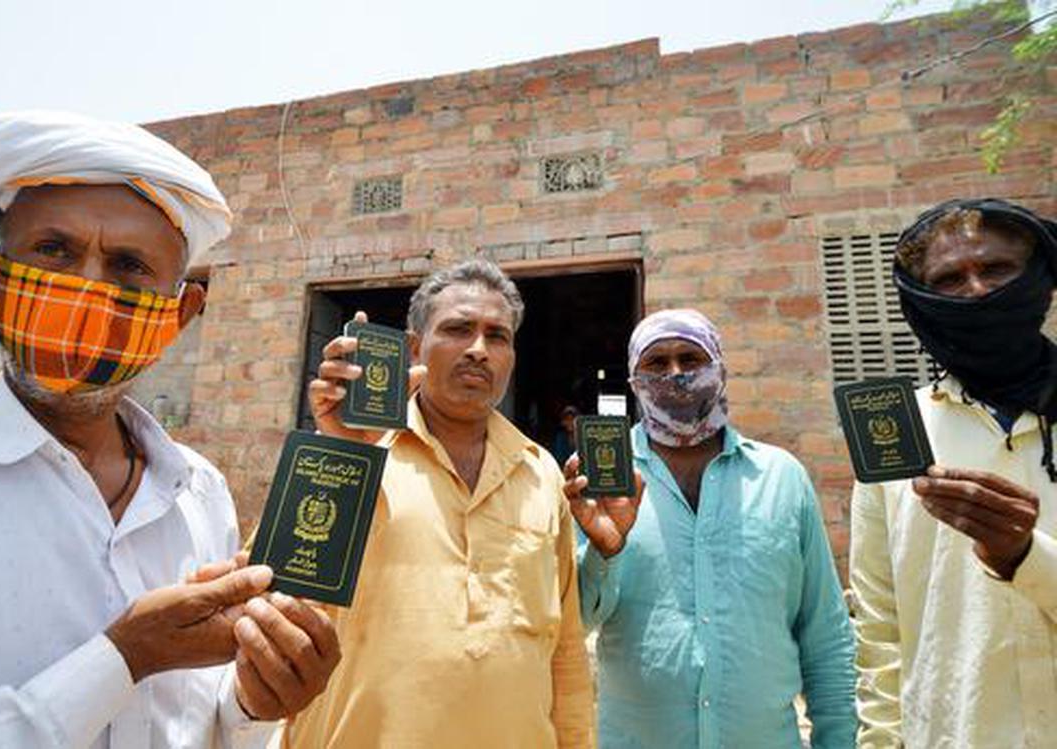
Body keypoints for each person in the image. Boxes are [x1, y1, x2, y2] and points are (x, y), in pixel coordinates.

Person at [0, 111, 338, 748]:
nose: (85, 289)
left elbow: (206, 724)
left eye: (129, 267)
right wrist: (122, 659)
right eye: (54, 251)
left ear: (181, 313)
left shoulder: (200, 495)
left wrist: (254, 700)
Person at [287, 259, 595, 747]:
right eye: (458, 329)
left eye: (497, 337)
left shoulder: (540, 472)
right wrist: (342, 452)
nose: (478, 349)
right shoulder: (357, 451)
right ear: (414, 348)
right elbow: (277, 604)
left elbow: (566, 651)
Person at [572, 309, 856, 748]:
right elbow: (573, 623)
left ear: (720, 370)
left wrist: (838, 741)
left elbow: (825, 635)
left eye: (691, 358)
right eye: (656, 363)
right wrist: (603, 554)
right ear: (633, 380)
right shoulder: (602, 481)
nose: (676, 374)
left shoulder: (781, 478)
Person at [850, 198, 1057, 748]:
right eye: (949, 279)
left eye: (995, 269)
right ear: (922, 303)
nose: (977, 292)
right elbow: (880, 633)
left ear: (1041, 281)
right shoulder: (893, 433)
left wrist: (1025, 558)